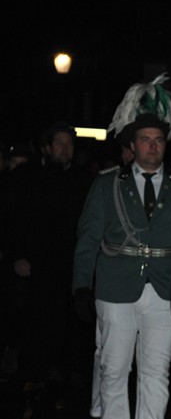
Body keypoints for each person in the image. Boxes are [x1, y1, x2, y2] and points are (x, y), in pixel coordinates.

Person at [73, 106, 171, 419]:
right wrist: (81, 285)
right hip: (115, 286)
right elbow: (88, 237)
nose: (153, 146)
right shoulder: (108, 183)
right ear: (133, 145)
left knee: (156, 373)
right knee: (114, 368)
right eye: (145, 140)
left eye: (158, 140)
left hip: (165, 287)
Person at [5, 121, 93, 387]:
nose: (65, 149)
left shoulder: (82, 180)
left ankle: (61, 369)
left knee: (66, 318)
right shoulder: (27, 177)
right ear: (47, 148)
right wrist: (18, 255)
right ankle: (33, 371)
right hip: (36, 263)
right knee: (36, 317)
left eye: (69, 144)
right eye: (60, 143)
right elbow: (13, 219)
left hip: (69, 262)